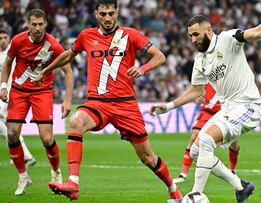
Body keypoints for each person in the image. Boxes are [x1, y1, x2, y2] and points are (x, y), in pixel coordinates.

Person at [33, 0, 182, 201]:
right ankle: (73, 183)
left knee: (147, 157)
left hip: (125, 104)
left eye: (111, 13)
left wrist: (143, 68)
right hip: (98, 103)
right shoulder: (86, 35)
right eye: (103, 14)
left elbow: (160, 57)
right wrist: (46, 69)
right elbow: (69, 55)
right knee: (76, 121)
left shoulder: (130, 34)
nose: (108, 18)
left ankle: (173, 188)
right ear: (96, 14)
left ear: (117, 12)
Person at [151, 9, 261, 203]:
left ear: (209, 30)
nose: (192, 39)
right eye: (190, 36)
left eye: (196, 34)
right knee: (195, 149)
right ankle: (240, 186)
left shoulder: (228, 39)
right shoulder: (200, 61)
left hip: (247, 106)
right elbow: (195, 91)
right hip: (227, 108)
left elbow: (257, 32)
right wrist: (168, 107)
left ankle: (195, 195)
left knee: (208, 141)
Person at [0, 9, 73, 196]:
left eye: (41, 24)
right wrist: (3, 86)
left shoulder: (53, 45)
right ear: (28, 24)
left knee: (47, 138)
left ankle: (56, 172)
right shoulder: (17, 41)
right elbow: (7, 64)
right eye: (34, 24)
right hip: (18, 91)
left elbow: (68, 71)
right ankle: (23, 176)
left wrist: (67, 100)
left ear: (46, 24)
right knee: (11, 134)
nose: (37, 28)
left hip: (42, 92)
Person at [173, 83, 240, 184]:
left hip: (225, 113)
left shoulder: (231, 75)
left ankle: (232, 170)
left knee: (234, 144)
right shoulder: (207, 71)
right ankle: (183, 175)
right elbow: (196, 90)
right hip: (208, 112)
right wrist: (197, 97)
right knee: (194, 136)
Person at [0, 28, 37, 168]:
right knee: (10, 128)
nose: (3, 40)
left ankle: (21, 154)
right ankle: (24, 155)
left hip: (11, 92)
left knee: (9, 126)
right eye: (0, 38)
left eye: (5, 37)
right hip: (2, 91)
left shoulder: (12, 51)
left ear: (9, 38)